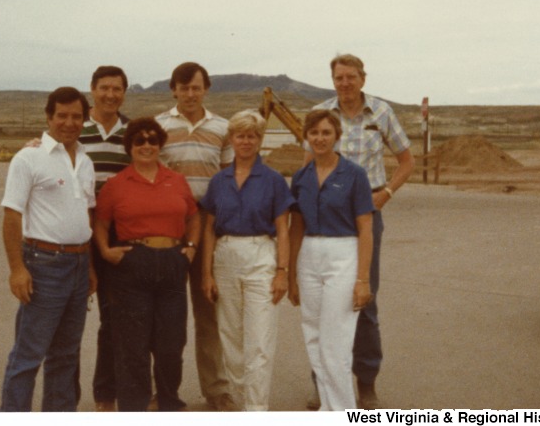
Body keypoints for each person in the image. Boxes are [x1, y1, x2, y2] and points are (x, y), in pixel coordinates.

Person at [304, 53, 414, 410]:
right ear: (332, 80)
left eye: (351, 77)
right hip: (327, 221)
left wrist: (387, 192)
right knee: (321, 306)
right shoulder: (322, 115)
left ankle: (365, 383)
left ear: (362, 79)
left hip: (365, 218)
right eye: (339, 78)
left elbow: (407, 160)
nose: (345, 83)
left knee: (362, 298)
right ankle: (324, 384)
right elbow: (308, 167)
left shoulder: (381, 113)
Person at [0, 86, 97, 411]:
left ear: (85, 119)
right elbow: (12, 214)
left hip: (79, 266)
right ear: (49, 117)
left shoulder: (85, 161)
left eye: (77, 116)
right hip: (44, 266)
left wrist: (91, 267)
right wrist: (17, 269)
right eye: (62, 115)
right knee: (29, 355)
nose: (69, 123)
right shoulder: (29, 157)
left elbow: (87, 216)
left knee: (66, 356)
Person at [93, 117, 201, 411]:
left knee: (171, 343)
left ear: (160, 144)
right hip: (132, 266)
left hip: (172, 263)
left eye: (153, 140)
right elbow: (101, 223)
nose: (146, 145)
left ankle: (168, 403)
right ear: (129, 146)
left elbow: (194, 217)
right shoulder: (116, 185)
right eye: (139, 140)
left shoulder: (176, 180)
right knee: (133, 345)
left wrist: (190, 248)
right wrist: (105, 251)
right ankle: (134, 407)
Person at [155, 61, 238, 411]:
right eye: (184, 87)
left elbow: (231, 180)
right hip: (168, 232)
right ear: (174, 89)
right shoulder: (159, 126)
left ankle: (217, 390)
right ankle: (165, 392)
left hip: (207, 230)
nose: (190, 94)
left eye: (197, 87)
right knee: (166, 318)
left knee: (209, 313)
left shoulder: (222, 128)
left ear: (206, 89)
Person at [199, 110, 293, 411]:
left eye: (252, 135)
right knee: (231, 340)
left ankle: (257, 409)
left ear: (259, 140)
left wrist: (282, 272)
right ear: (232, 139)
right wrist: (207, 274)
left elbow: (282, 228)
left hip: (261, 256)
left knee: (259, 340)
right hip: (225, 257)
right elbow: (209, 229)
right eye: (240, 135)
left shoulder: (274, 180)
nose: (246, 141)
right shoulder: (219, 180)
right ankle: (242, 403)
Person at [289, 109, 375, 411]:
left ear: (337, 136)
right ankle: (328, 407)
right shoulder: (300, 178)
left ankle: (342, 411)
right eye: (314, 133)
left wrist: (362, 279)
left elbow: (366, 227)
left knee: (335, 341)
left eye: (326, 132)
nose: (320, 138)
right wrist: (291, 276)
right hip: (309, 256)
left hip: (343, 254)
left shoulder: (354, 174)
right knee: (313, 336)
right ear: (306, 137)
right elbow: (295, 227)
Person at [82, 65, 130, 412]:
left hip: (117, 233)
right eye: (104, 88)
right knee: (69, 318)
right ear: (92, 90)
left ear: (124, 93)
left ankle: (106, 396)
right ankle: (62, 398)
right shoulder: (73, 129)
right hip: (77, 231)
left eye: (117, 89)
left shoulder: (132, 133)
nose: (110, 95)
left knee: (114, 317)